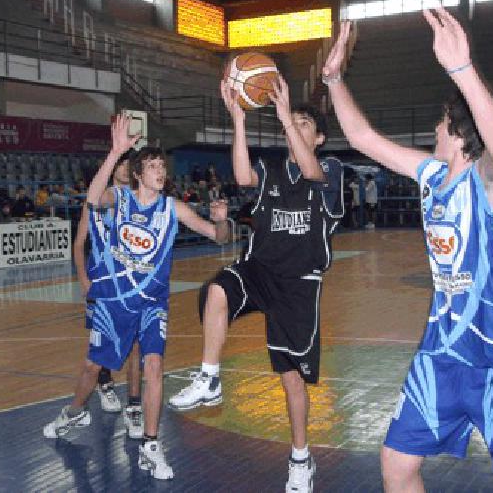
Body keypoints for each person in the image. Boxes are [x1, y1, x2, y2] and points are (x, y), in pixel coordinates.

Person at [321, 12, 493, 490]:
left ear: (458, 132)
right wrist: (334, 81)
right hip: (442, 353)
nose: (433, 131)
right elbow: (362, 139)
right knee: (397, 463)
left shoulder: (489, 183)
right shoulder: (432, 176)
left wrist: (462, 71)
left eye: (441, 122)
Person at [169, 74, 345, 493]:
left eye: (305, 124)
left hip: (299, 285)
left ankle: (301, 459)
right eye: (293, 122)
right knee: (216, 289)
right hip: (259, 269)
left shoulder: (331, 171)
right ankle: (209, 377)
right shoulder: (270, 172)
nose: (295, 127)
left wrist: (285, 115)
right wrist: (238, 117)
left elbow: (311, 171)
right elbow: (243, 174)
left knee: (291, 379)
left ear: (319, 138)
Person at [43, 113, 233, 482]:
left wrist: (222, 219)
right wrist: (115, 152)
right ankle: (74, 411)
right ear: (138, 173)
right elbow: (93, 199)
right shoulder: (120, 199)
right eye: (152, 165)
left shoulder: (173, 208)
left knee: (153, 366)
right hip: (112, 303)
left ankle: (150, 442)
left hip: (151, 304)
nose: (160, 170)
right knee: (92, 368)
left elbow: (218, 236)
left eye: (163, 165)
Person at [70, 151, 144, 432]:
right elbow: (79, 244)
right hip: (100, 284)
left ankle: (134, 404)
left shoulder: (140, 202)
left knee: (135, 345)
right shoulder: (96, 201)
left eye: (129, 164)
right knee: (100, 343)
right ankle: (104, 384)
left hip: (130, 287)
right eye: (120, 163)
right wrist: (84, 281)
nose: (125, 169)